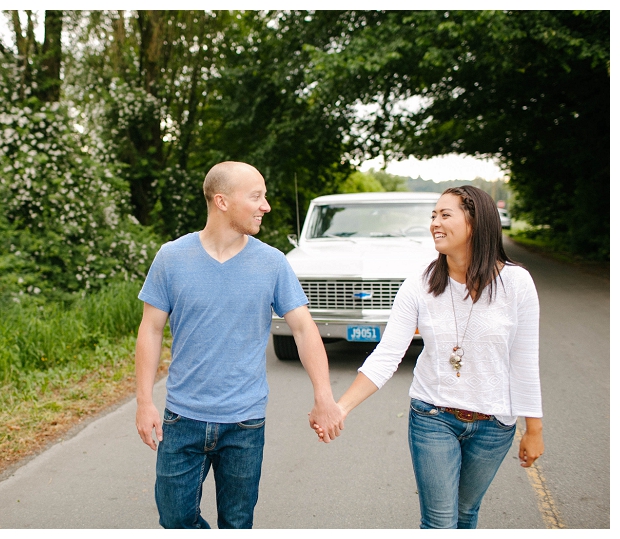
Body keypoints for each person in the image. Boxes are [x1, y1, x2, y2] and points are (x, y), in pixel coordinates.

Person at [315, 185, 544, 529]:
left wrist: (534, 429)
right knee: (439, 522)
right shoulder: (419, 284)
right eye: (433, 215)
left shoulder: (517, 284)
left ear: (475, 222)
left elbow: (524, 361)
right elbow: (387, 355)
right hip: (433, 415)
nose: (435, 223)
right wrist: (340, 407)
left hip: (495, 425)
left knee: (466, 515)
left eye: (445, 214)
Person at [135, 161, 344, 529]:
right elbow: (150, 330)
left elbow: (304, 330)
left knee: (237, 523)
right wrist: (144, 402)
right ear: (222, 201)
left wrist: (324, 396)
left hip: (245, 421)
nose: (266, 206)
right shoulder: (171, 257)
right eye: (256, 197)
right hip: (183, 417)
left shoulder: (272, 263)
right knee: (174, 519)